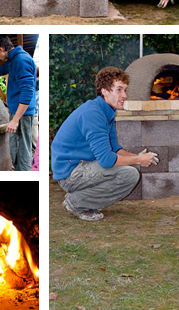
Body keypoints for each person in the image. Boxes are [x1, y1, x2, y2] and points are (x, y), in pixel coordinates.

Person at [51, 65, 159, 222]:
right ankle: (76, 202)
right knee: (129, 174)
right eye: (119, 90)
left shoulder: (106, 111)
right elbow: (107, 160)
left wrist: (137, 157)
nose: (124, 95)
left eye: (125, 90)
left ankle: (84, 199)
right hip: (70, 173)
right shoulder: (93, 114)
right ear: (104, 91)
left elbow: (115, 149)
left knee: (133, 167)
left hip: (83, 165)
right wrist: (138, 159)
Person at [0, 34, 36, 172]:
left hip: (22, 114)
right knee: (15, 146)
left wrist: (15, 120)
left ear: (2, 49)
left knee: (23, 150)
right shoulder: (12, 61)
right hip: (16, 112)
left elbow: (27, 93)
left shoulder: (21, 60)